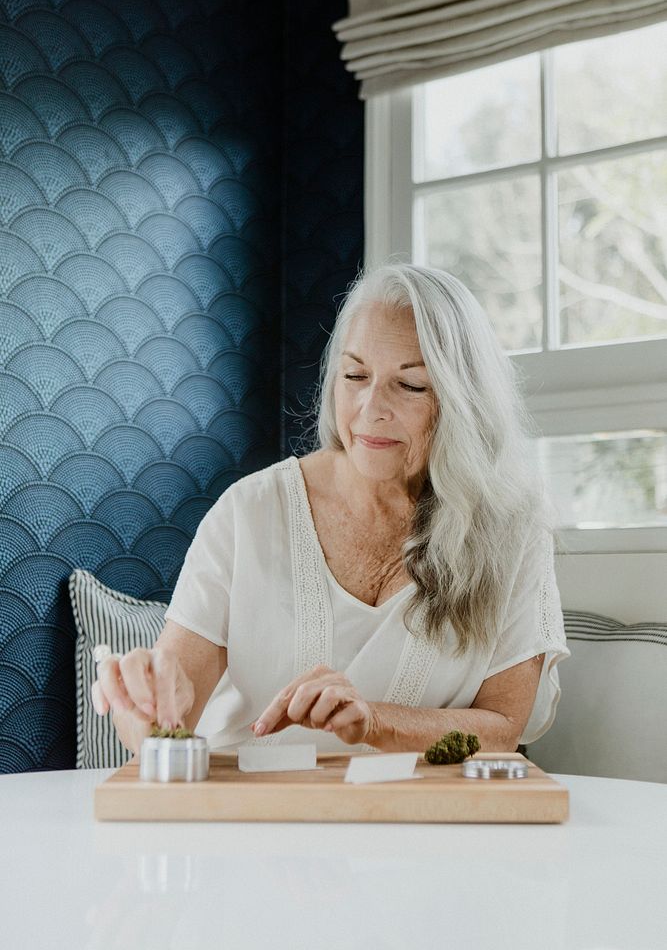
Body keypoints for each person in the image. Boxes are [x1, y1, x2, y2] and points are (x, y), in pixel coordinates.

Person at [92, 263, 570, 757]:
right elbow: (161, 723)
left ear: (464, 402)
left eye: (410, 385)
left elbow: (500, 728)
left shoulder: (513, 531)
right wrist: (140, 701)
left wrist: (374, 721)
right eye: (355, 374)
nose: (370, 407)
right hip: (250, 817)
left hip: (417, 822)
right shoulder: (249, 511)